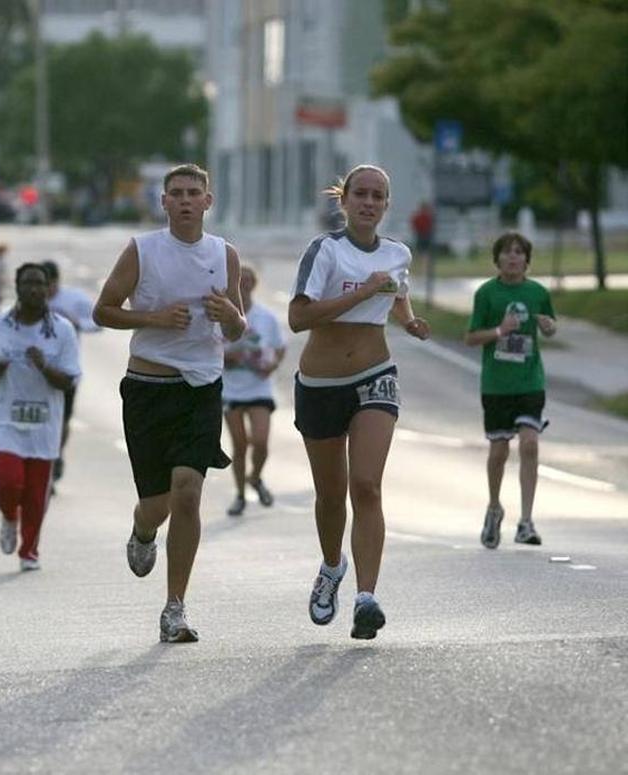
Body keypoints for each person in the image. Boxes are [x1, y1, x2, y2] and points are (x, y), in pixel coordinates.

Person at [93, 163, 245, 643]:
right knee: (156, 502)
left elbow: (238, 329)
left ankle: (174, 607)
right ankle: (142, 530)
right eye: (176, 193)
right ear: (163, 202)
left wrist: (230, 314)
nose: (184, 200)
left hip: (200, 388)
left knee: (188, 491)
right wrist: (154, 318)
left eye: (193, 193)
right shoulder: (143, 250)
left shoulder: (225, 255)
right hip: (147, 387)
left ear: (207, 201)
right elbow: (104, 309)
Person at [288, 164, 431, 641]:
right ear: (344, 201)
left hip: (375, 374)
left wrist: (407, 319)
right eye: (361, 194)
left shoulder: (397, 253)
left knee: (366, 486)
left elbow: (397, 293)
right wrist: (363, 293)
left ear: (387, 205)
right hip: (321, 385)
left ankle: (366, 598)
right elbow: (298, 317)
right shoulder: (325, 251)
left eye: (378, 196)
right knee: (331, 496)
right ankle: (332, 566)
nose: (369, 202)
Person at [0, 263, 80, 570]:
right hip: (9, 418)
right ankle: (10, 516)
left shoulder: (62, 330)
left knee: (36, 496)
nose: (34, 289)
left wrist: (44, 366)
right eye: (28, 283)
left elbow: (69, 380)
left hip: (44, 424)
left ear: (49, 288)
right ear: (17, 287)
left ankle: (29, 551)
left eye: (40, 284)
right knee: (9, 483)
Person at [464, 232, 556, 548]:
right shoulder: (487, 294)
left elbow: (550, 325)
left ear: (527, 260)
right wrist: (500, 331)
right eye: (507, 252)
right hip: (496, 384)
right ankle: (494, 507)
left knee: (529, 444)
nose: (513, 257)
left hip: (530, 382)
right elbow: (471, 337)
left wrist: (548, 327)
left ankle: (526, 521)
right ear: (498, 259)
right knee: (499, 450)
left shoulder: (538, 293)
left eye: (519, 252)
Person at [222, 263, 286, 516]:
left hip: (259, 388)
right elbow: (209, 347)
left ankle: (255, 478)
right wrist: (228, 358)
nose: (244, 284)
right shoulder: (223, 315)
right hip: (230, 390)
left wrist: (272, 365)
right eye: (240, 280)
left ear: (254, 285)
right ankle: (239, 495)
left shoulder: (266, 318)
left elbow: (280, 347)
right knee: (239, 445)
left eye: (248, 280)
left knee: (260, 442)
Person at [40, 260, 100, 484]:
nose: (45, 290)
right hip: (37, 374)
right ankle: (44, 463)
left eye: (49, 284)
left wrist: (77, 323)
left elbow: (98, 321)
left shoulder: (74, 299)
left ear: (56, 281)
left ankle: (56, 456)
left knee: (62, 421)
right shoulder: (32, 300)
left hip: (66, 372)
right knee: (43, 422)